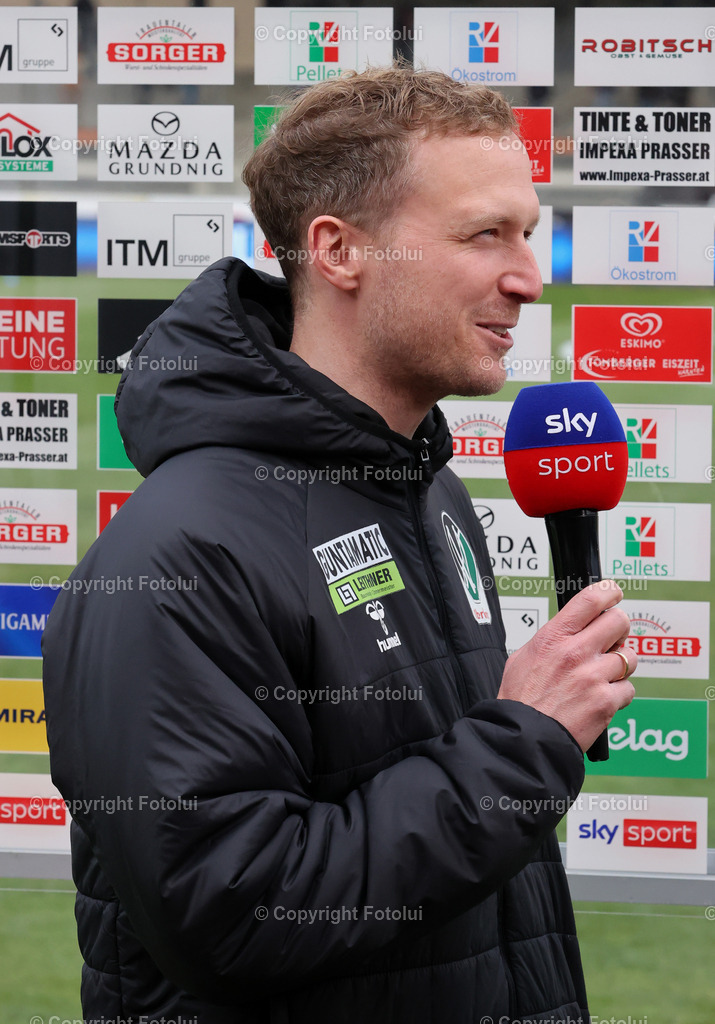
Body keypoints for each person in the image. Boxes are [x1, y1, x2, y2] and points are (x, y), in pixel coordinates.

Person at [42, 66, 636, 1024]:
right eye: (484, 234)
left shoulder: (431, 490)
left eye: (528, 232)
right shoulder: (180, 553)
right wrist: (521, 745)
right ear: (339, 251)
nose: (529, 277)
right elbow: (229, 914)